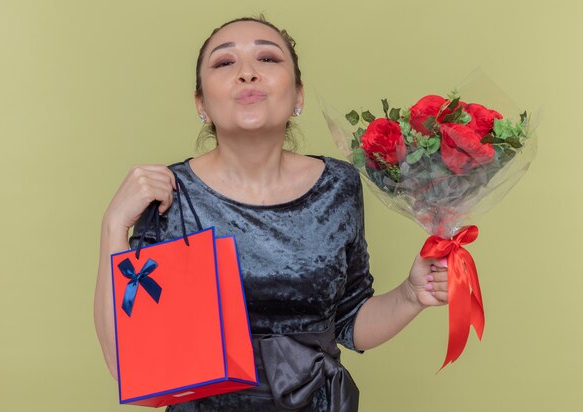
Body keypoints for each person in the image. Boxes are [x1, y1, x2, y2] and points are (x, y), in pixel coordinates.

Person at [94, 16, 448, 411]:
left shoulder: (340, 185)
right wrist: (113, 226)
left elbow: (350, 322)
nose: (247, 73)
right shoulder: (168, 195)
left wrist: (411, 295)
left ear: (298, 96)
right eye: (225, 63)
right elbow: (125, 362)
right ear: (201, 104)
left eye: (267, 58)